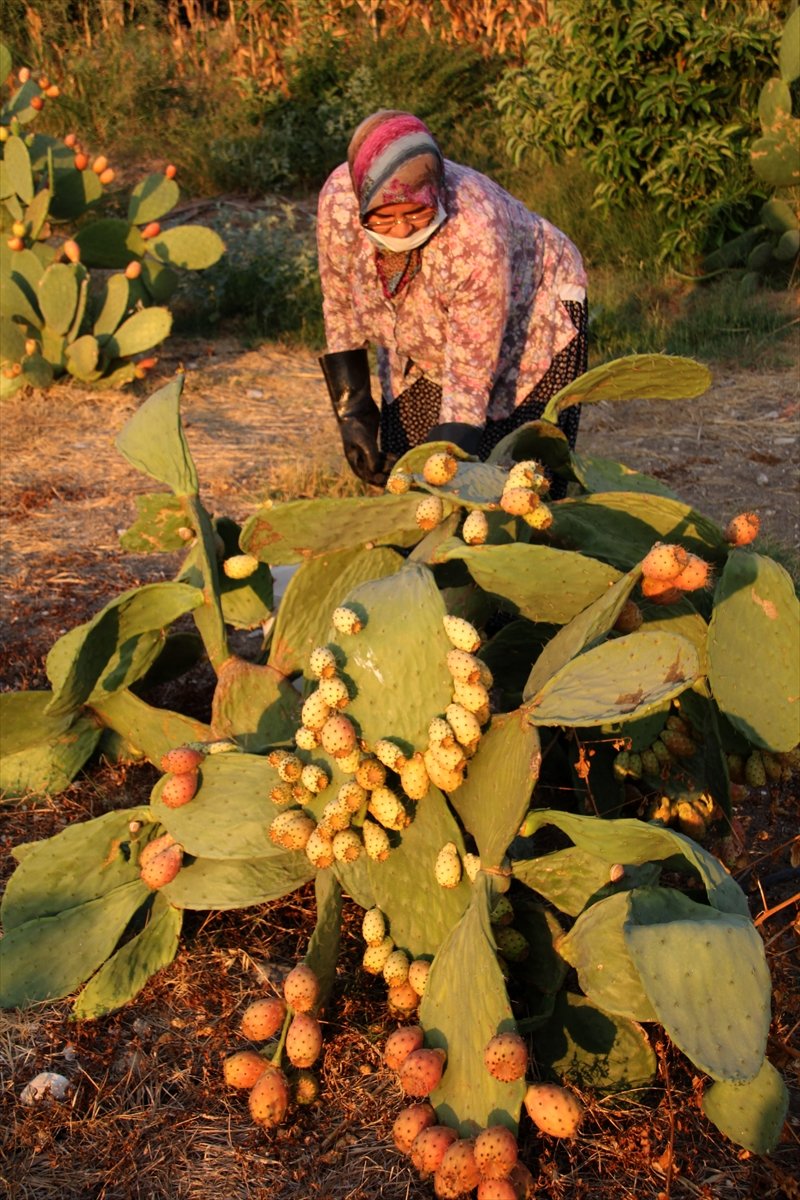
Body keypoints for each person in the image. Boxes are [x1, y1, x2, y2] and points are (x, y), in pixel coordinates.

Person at [317, 109, 588, 486]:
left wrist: (449, 454)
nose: (400, 228)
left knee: (516, 479)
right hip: (422, 326)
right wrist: (353, 412)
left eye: (416, 212)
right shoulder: (339, 203)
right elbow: (340, 303)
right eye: (382, 217)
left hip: (532, 313)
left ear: (435, 192)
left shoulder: (475, 228)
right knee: (406, 456)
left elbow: (470, 373)